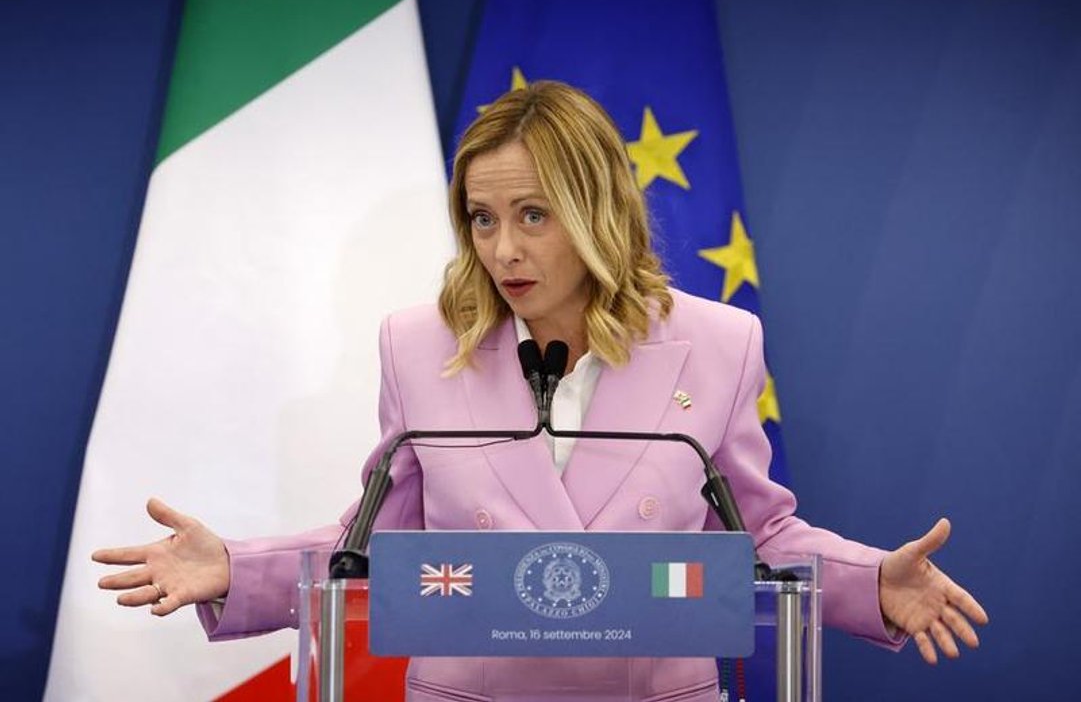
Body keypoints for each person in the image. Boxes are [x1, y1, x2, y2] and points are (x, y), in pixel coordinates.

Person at [95, 81, 988, 701]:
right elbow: (376, 541)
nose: (503, 250)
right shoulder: (420, 346)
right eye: (481, 219)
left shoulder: (719, 343)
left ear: (596, 209)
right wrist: (235, 568)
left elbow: (757, 536)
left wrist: (869, 581)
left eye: (532, 215)